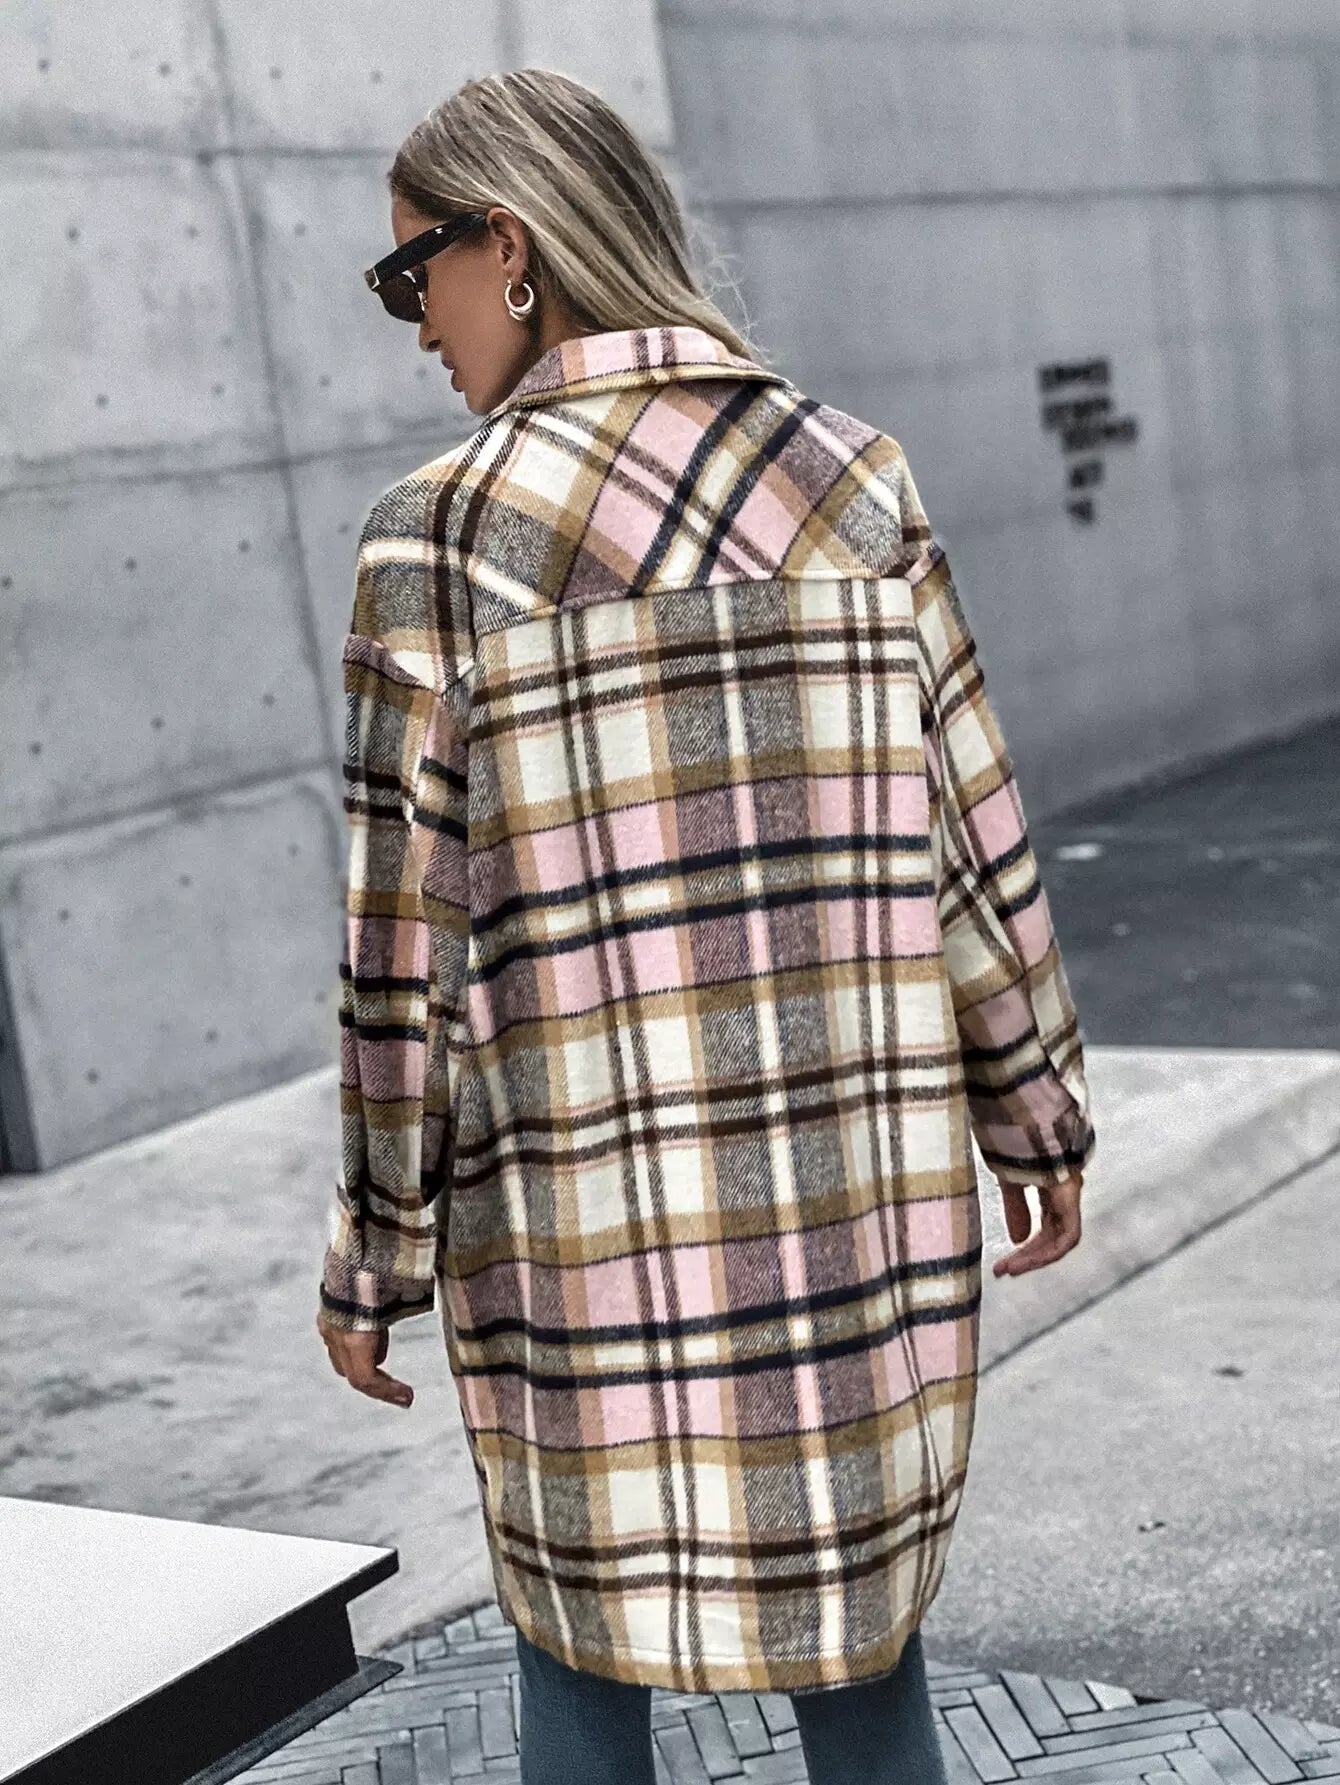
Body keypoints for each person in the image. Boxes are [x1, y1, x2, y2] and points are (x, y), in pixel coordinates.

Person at [315, 66, 1095, 1785]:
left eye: (409, 273)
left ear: (509, 246)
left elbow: (396, 965)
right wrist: (1032, 1103)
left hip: (576, 1238)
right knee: (863, 1655)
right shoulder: (850, 481)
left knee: (576, 1660)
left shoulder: (436, 545)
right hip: (852, 1214)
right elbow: (972, 829)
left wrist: (379, 1247)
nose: (411, 323)